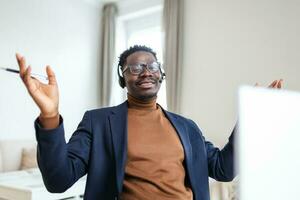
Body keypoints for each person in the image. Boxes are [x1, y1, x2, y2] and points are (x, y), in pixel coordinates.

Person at [16, 45, 283, 200]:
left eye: (152, 66)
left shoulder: (186, 127)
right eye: (134, 67)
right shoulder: (97, 122)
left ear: (161, 75)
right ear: (123, 79)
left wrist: (252, 119)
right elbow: (58, 180)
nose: (145, 71)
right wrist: (50, 116)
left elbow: (223, 169)